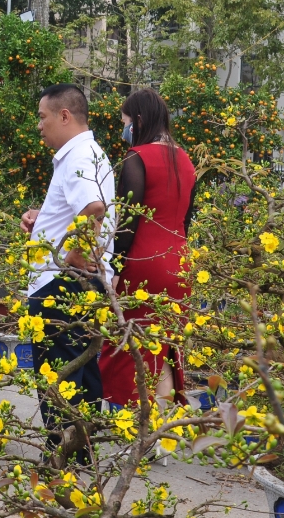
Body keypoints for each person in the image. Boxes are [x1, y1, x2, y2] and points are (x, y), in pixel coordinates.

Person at [20, 83, 115, 461]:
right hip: (81, 284)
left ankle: (62, 460)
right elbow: (85, 208)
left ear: (64, 116)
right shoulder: (88, 154)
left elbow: (93, 208)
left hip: (61, 284)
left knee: (58, 377)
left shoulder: (77, 156)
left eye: (43, 117)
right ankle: (80, 457)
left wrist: (72, 254)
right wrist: (43, 220)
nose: (39, 126)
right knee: (83, 372)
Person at [99, 87, 196, 406]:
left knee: (133, 348)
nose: (124, 129)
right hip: (178, 264)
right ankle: (161, 435)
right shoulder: (185, 159)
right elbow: (186, 219)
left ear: (138, 121)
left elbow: (128, 222)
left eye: (125, 121)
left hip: (144, 263)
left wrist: (115, 267)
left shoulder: (136, 158)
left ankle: (139, 428)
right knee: (164, 346)